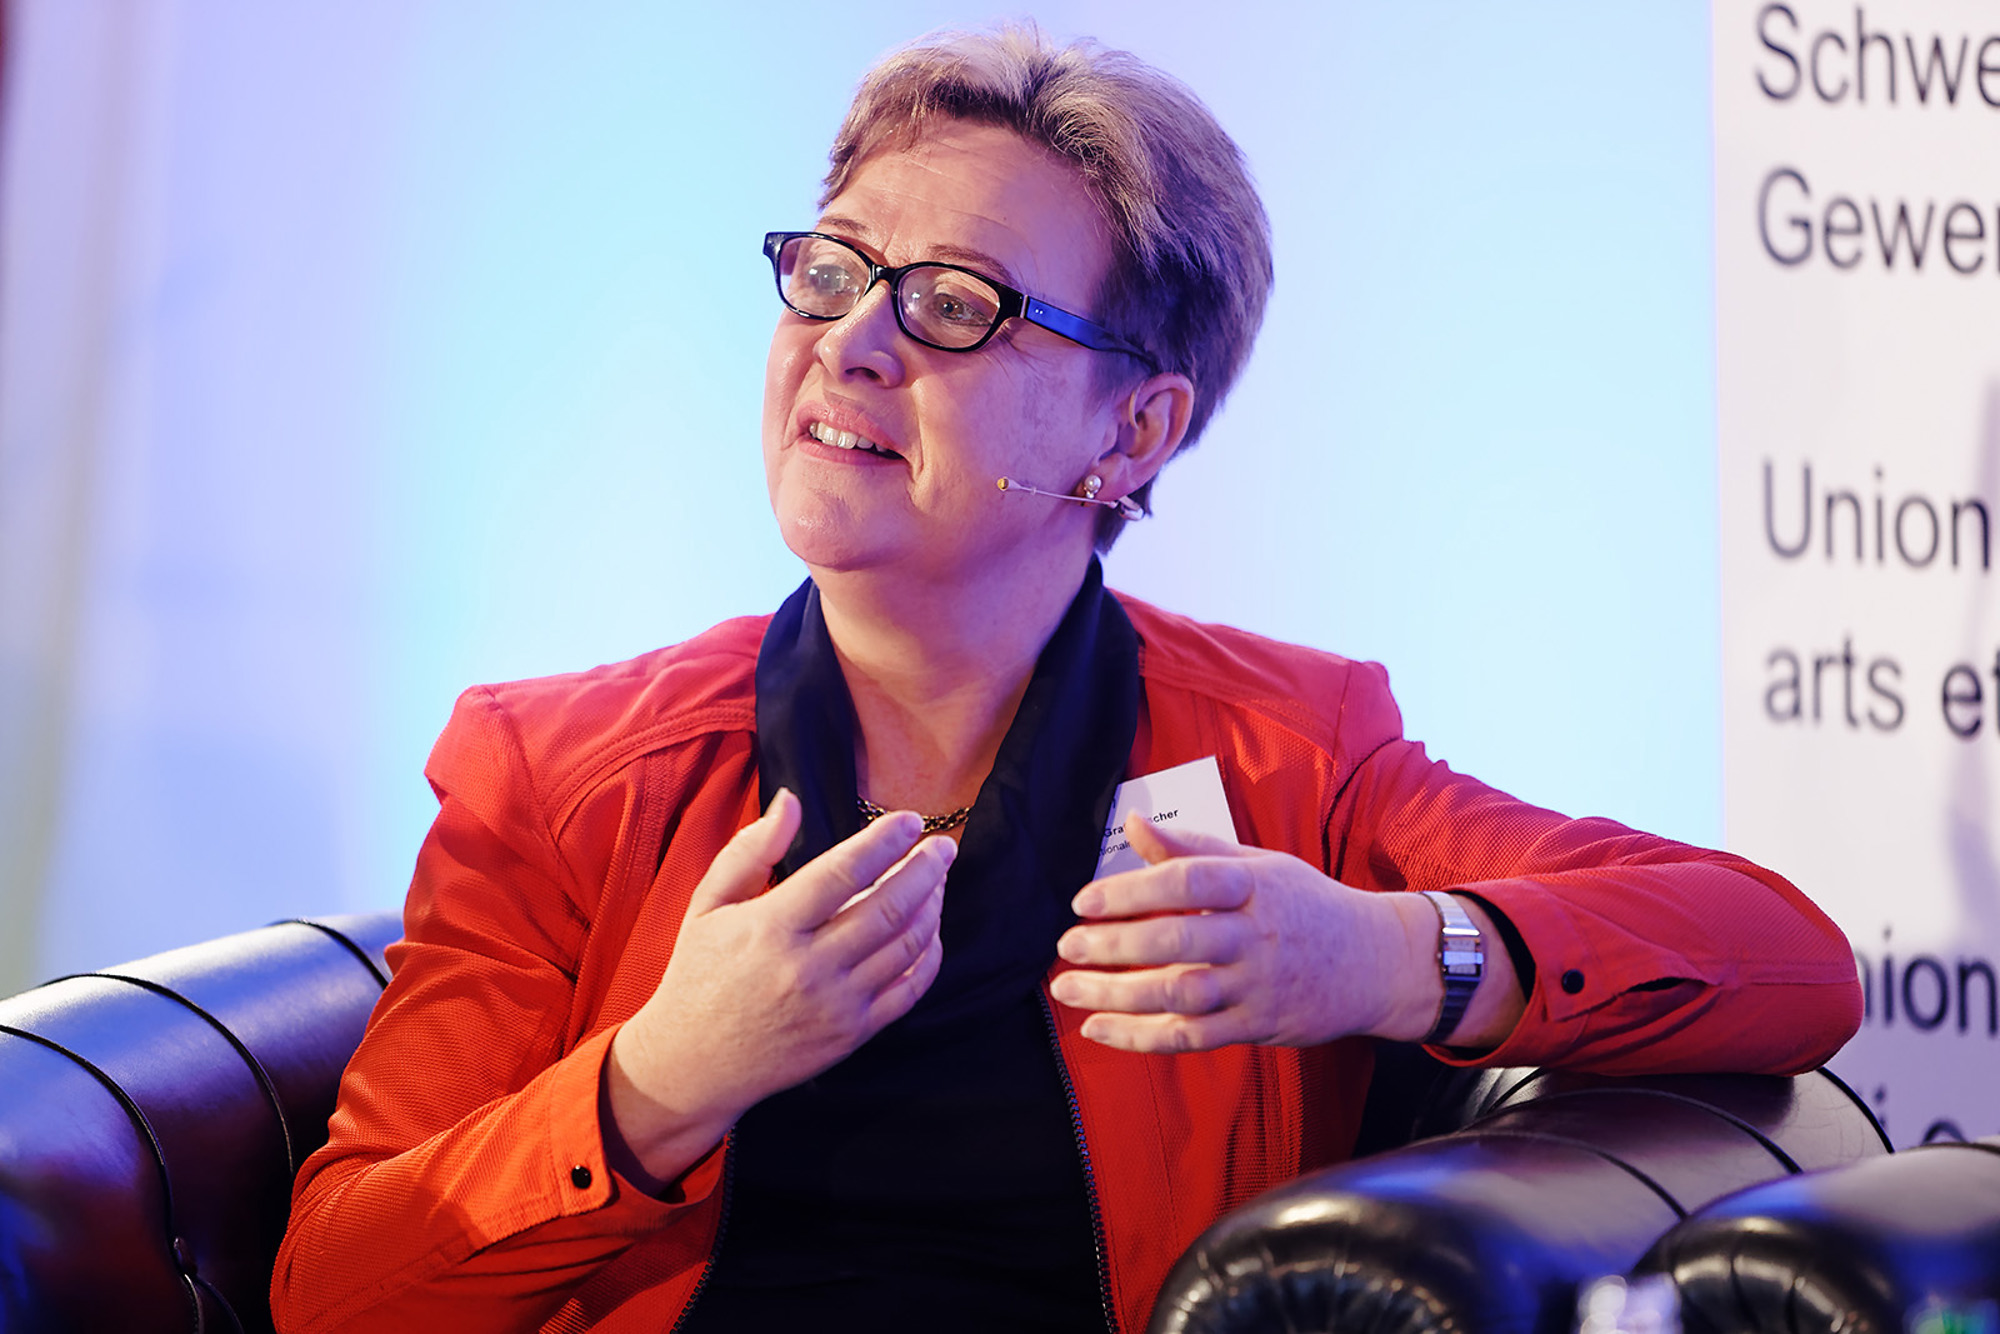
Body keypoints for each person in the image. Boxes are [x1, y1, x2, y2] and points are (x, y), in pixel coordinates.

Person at [271, 25, 1862, 1334]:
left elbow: (1787, 960)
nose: (852, 344)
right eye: (833, 269)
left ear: (1134, 430)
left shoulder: (1290, 753)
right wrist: (661, 1079)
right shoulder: (558, 767)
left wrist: (1384, 955)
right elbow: (336, 1293)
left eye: (955, 305)